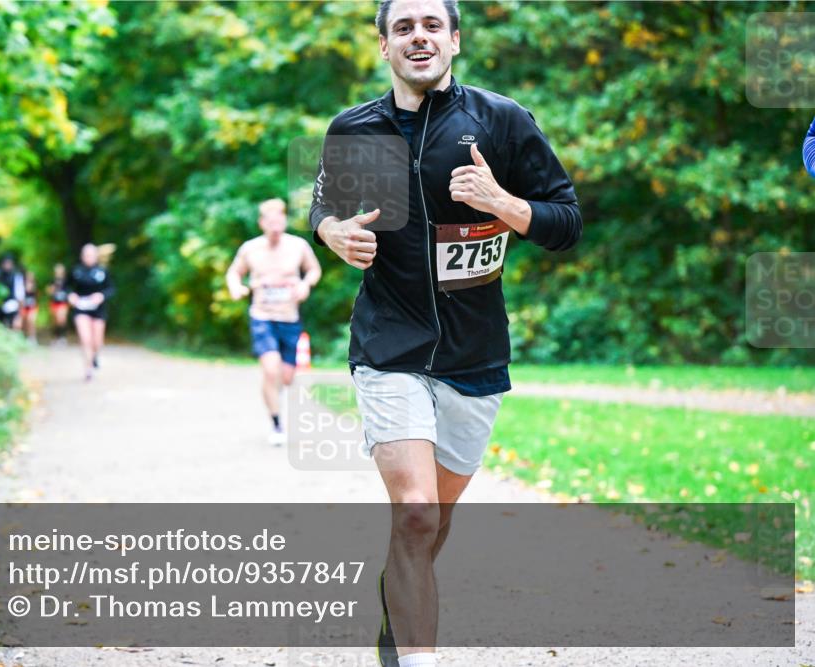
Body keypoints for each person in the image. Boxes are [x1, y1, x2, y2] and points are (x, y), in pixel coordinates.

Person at [308, 1, 582, 665]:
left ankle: (396, 608)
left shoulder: (503, 121)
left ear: (454, 39)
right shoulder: (356, 129)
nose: (419, 36)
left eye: (432, 24)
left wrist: (502, 204)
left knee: (436, 518)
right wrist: (330, 232)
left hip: (475, 351)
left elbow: (565, 221)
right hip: (389, 344)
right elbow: (326, 203)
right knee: (416, 513)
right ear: (382, 45)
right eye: (403, 26)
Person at [226, 198, 322, 446]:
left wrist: (304, 284)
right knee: (271, 370)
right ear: (262, 223)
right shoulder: (250, 248)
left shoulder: (298, 246)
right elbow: (234, 273)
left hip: (289, 318)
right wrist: (236, 287)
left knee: (286, 377)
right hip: (262, 316)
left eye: (279, 220)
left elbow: (313, 270)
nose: (275, 225)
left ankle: (276, 401)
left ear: (284, 220)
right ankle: (277, 423)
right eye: (270, 221)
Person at [67, 244, 115, 381]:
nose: (89, 257)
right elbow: (66, 287)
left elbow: (111, 289)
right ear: (82, 256)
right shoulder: (76, 271)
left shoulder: (102, 271)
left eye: (91, 255)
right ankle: (88, 369)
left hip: (98, 309)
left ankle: (95, 356)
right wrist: (71, 295)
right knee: (85, 339)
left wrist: (101, 296)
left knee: (97, 341)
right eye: (86, 255)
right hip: (81, 308)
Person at [47, 263, 70, 345]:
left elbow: (70, 291)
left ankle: (62, 337)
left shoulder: (66, 280)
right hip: (54, 302)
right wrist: (52, 290)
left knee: (62, 320)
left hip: (63, 303)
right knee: (55, 321)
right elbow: (48, 291)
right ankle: (56, 337)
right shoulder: (52, 280)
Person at [20, 271, 39, 342]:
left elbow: (37, 296)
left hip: (32, 306)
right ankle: (25, 337)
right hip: (24, 306)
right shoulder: (21, 284)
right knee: (24, 322)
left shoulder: (35, 285)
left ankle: (33, 337)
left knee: (31, 321)